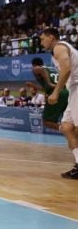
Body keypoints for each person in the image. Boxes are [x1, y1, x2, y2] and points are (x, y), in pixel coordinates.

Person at [40, 28, 78, 179]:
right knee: (67, 127)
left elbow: (66, 69)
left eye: (43, 38)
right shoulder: (60, 49)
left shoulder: (59, 47)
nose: (41, 42)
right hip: (73, 89)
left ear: (51, 37)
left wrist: (56, 92)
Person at [28, 57, 67, 130]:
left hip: (56, 93)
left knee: (47, 121)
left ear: (34, 64)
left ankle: (67, 131)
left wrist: (49, 83)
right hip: (66, 92)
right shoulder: (53, 69)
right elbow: (46, 89)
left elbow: (41, 70)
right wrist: (33, 86)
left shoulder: (37, 68)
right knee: (67, 119)